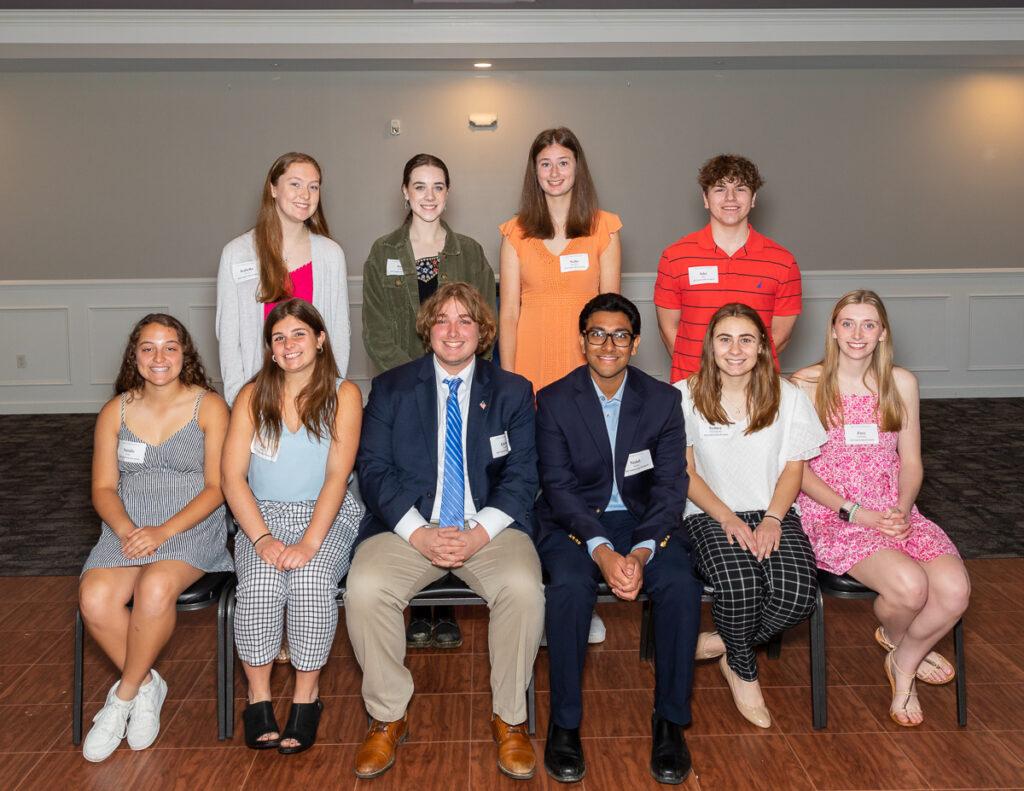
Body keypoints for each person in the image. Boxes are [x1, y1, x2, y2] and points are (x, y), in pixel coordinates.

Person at [346, 282, 544, 781]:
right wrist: (418, 533)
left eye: (465, 321)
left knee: (523, 588)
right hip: (410, 528)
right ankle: (388, 715)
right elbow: (372, 470)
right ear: (427, 329)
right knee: (365, 589)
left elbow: (524, 476)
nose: (452, 331)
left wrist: (479, 533)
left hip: (490, 529)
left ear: (482, 332)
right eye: (442, 320)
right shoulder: (391, 388)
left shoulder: (513, 391)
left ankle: (510, 719)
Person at [535, 293, 702, 784]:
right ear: (582, 340)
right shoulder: (554, 399)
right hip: (573, 522)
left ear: (636, 342)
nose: (608, 344)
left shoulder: (663, 400)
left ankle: (670, 720)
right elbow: (558, 488)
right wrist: (603, 550)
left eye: (620, 335)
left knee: (680, 586)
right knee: (568, 588)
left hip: (643, 520)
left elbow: (673, 485)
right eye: (597, 334)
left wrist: (644, 548)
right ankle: (564, 724)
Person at [793, 290, 970, 727]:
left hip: (894, 509)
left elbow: (911, 461)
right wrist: (855, 512)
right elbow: (796, 472)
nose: (858, 334)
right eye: (848, 323)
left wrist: (903, 508)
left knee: (955, 591)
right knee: (910, 588)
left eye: (868, 324)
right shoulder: (806, 383)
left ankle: (903, 659)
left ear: (883, 332)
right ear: (833, 330)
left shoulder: (901, 383)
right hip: (833, 514)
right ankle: (905, 648)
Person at [79, 314, 232, 762]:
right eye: (148, 348)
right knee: (94, 597)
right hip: (126, 527)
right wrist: (127, 530)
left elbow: (217, 487)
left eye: (170, 347)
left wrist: (163, 532)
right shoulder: (116, 410)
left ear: (185, 354)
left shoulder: (209, 407)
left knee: (155, 586)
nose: (159, 357)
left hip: (188, 527)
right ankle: (148, 683)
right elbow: (103, 488)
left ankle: (123, 697)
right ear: (135, 356)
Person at [362, 152, 496, 651]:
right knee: (418, 483)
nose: (429, 196)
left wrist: (455, 371)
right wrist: (418, 379)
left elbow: (484, 321)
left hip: (462, 384)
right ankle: (418, 602)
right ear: (404, 193)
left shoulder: (469, 252)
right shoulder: (383, 253)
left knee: (456, 480)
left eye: (438, 186)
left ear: (448, 192)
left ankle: (448, 607)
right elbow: (376, 331)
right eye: (419, 186)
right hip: (406, 393)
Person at [222, 299, 363, 754]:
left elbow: (337, 477)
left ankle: (307, 696)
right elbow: (231, 478)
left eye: (299, 334)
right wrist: (261, 537)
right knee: (261, 586)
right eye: (278, 338)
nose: (289, 345)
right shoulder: (251, 395)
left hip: (326, 513)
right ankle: (258, 695)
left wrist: (308, 543)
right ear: (270, 348)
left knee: (311, 582)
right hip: (260, 514)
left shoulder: (345, 394)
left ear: (320, 339)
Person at [499, 126, 621, 643]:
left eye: (563, 162)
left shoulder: (604, 228)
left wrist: (606, 373)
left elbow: (611, 312)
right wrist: (509, 386)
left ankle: (581, 595)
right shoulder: (514, 233)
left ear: (578, 167)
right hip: (530, 367)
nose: (554, 172)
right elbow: (507, 313)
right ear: (535, 172)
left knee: (581, 479)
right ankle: (544, 595)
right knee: (535, 483)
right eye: (544, 163)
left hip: (584, 370)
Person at [678, 303, 825, 728]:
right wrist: (726, 517)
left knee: (796, 595)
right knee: (740, 584)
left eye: (747, 339)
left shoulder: (788, 395)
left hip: (773, 509)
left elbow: (793, 467)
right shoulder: (683, 395)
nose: (735, 349)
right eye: (725, 339)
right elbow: (684, 472)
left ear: (762, 346)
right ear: (711, 345)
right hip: (708, 512)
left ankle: (719, 643)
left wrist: (774, 519)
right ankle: (743, 670)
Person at [217, 151, 351, 406]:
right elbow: (229, 337)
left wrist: (332, 389)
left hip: (315, 393)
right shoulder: (236, 253)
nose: (306, 194)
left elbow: (339, 332)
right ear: (273, 189)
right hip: (258, 393)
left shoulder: (331, 255)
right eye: (295, 184)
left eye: (314, 187)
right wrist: (239, 399)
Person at [655, 154, 802, 383]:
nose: (730, 198)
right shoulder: (675, 257)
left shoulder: (783, 261)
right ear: (705, 198)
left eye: (741, 189)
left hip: (757, 387)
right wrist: (703, 374)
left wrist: (737, 371)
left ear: (753, 199)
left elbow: (779, 336)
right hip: (693, 383)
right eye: (720, 189)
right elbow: (668, 328)